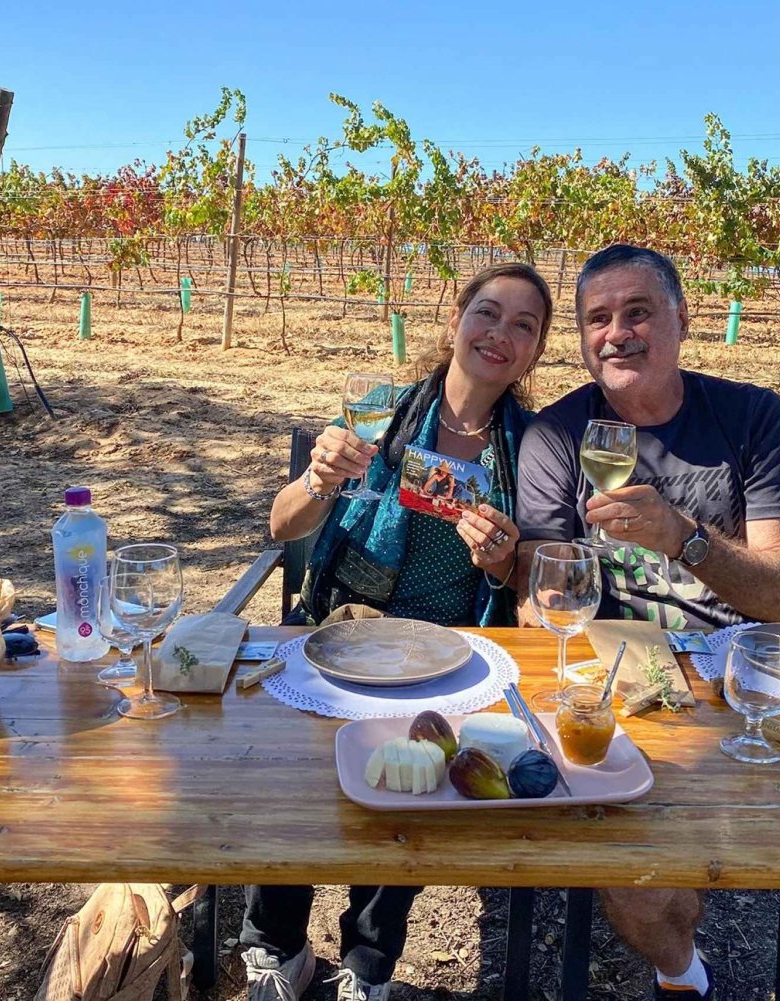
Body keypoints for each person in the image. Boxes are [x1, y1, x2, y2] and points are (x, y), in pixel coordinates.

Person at [242, 262, 554, 1001]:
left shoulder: (534, 448)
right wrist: (319, 480)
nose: (499, 334)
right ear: (455, 321)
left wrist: (507, 559)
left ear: (536, 352)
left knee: (411, 760)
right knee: (293, 766)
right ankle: (276, 949)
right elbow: (280, 525)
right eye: (487, 312)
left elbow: (532, 581)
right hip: (342, 628)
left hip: (454, 648)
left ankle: (367, 963)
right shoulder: (378, 415)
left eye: (524, 325)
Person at [516, 244, 780, 999]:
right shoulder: (556, 436)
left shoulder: (754, 418)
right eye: (598, 318)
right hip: (620, 675)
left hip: (738, 672)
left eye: (638, 311)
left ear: (683, 319)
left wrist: (684, 537)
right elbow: (543, 590)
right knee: (640, 878)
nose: (617, 332)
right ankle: (684, 971)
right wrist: (537, 597)